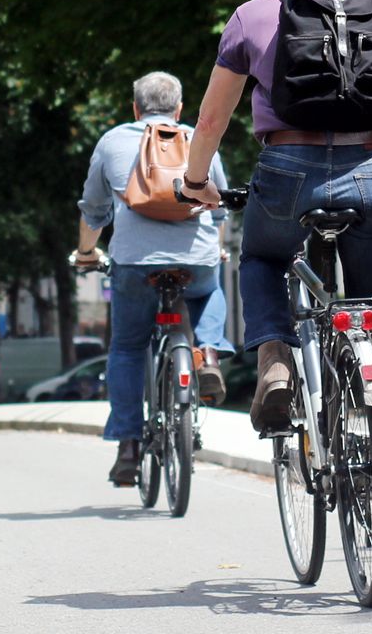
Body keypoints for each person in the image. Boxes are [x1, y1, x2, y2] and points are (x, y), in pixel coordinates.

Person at [181, 0, 372, 546]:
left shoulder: (254, 17)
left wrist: (193, 182)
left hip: (287, 171)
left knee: (261, 258)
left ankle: (275, 361)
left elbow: (211, 120)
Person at [74, 71, 234, 486]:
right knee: (210, 290)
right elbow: (218, 208)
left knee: (127, 347)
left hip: (133, 263)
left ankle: (127, 446)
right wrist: (213, 248)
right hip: (196, 260)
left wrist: (87, 254)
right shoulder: (199, 139)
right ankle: (209, 353)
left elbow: (94, 211)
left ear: (135, 108)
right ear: (180, 109)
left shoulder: (112, 142)